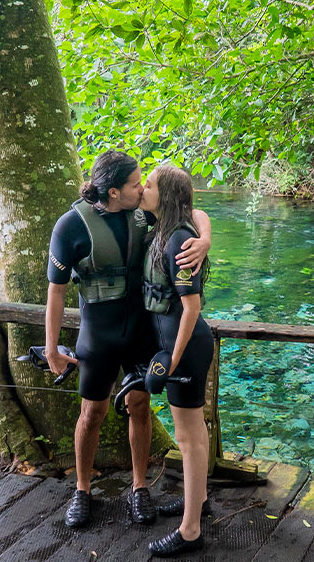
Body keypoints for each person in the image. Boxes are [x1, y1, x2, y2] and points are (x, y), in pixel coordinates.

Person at [44, 150, 211, 530]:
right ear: (115, 192)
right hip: (98, 335)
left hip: (140, 332)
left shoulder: (143, 213)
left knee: (139, 406)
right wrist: (52, 347)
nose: (142, 189)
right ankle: (83, 490)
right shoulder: (70, 226)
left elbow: (191, 211)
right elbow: (55, 292)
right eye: (136, 184)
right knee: (92, 413)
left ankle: (139, 488)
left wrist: (205, 240)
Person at [138, 165, 215, 557]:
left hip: (185, 348)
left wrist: (172, 358)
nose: (142, 189)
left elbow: (190, 307)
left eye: (148, 185)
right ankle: (197, 502)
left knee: (186, 438)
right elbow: (199, 212)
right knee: (194, 433)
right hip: (179, 348)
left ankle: (190, 530)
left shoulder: (177, 241)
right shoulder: (162, 228)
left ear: (164, 195)